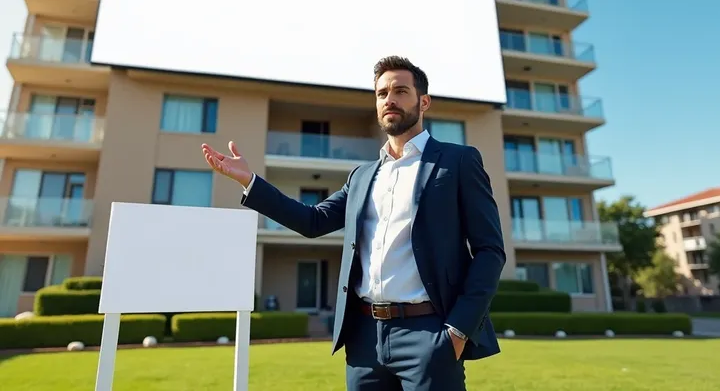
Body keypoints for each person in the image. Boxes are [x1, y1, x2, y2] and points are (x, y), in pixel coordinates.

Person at [202, 55, 506, 391]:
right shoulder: (362, 177)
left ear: (424, 102)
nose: (389, 99)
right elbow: (313, 220)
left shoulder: (458, 161)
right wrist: (251, 182)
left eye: (400, 91)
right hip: (364, 341)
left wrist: (458, 331)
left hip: (430, 335)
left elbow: (490, 250)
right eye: (381, 93)